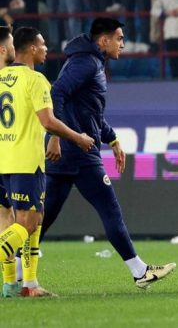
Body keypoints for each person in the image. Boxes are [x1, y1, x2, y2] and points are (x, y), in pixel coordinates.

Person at [39, 18, 176, 288]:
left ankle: (18, 272)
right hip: (79, 150)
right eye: (119, 38)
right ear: (103, 40)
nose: (122, 44)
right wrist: (56, 136)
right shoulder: (86, 63)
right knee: (109, 210)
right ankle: (140, 271)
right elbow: (56, 94)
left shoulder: (90, 62)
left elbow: (90, 113)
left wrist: (112, 139)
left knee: (42, 217)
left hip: (72, 149)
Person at [0, 27, 95, 298]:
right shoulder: (36, 79)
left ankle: (20, 285)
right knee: (28, 223)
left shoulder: (1, 77)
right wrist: (77, 137)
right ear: (31, 48)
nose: (46, 49)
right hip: (25, 160)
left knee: (18, 219)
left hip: (3, 158)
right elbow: (48, 121)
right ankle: (22, 284)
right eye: (42, 45)